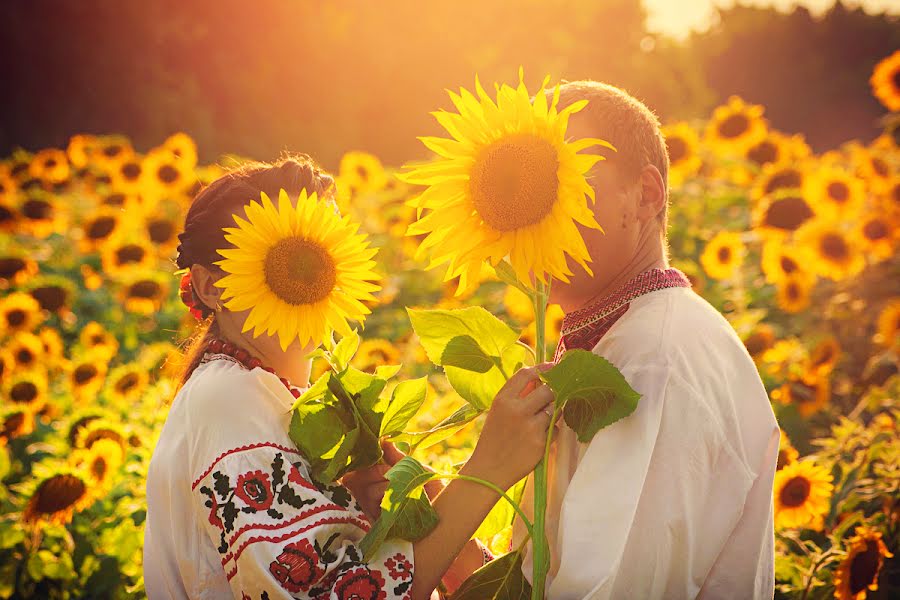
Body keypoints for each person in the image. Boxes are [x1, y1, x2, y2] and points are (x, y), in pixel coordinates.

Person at [143, 156, 557, 599]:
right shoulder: (229, 399)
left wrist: (405, 508)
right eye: (277, 254)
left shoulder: (269, 399)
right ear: (209, 288)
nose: (311, 273)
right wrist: (488, 469)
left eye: (322, 252)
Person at [511, 82, 780, 599]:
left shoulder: (652, 361)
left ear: (646, 194)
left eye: (563, 182)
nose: (536, 209)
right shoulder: (629, 339)